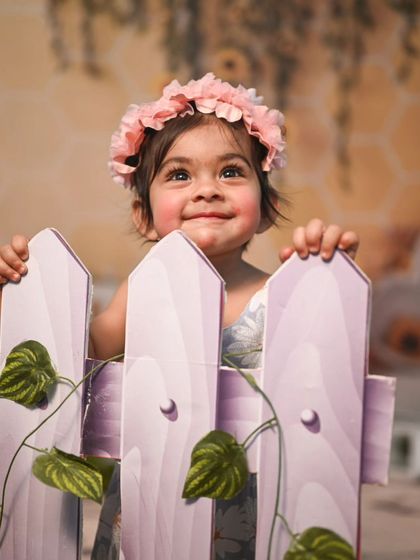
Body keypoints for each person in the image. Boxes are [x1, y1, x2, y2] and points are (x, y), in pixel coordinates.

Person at [0, 73, 359, 558]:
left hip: (251, 506)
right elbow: (79, 361)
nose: (207, 189)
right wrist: (22, 302)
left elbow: (324, 394)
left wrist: (326, 274)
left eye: (231, 172)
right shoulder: (139, 294)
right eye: (180, 175)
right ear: (144, 216)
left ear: (269, 207)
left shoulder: (283, 295)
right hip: (151, 496)